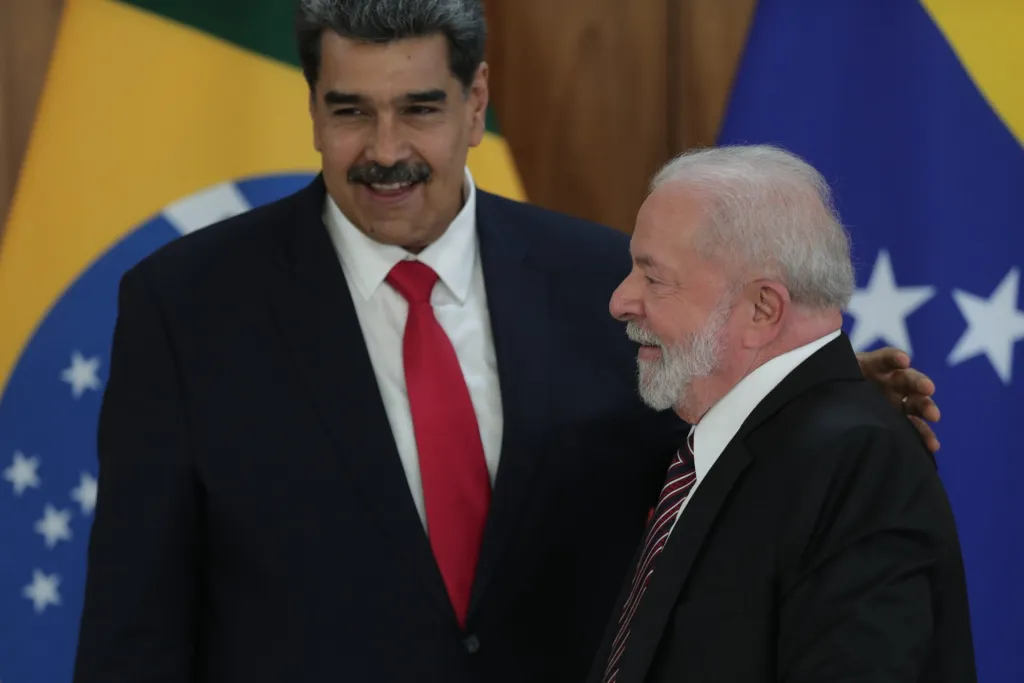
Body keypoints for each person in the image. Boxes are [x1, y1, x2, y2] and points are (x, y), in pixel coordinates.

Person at [72, 2, 941, 682]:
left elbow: (711, 467)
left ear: (475, 102)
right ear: (310, 108)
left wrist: (803, 394)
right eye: (349, 111)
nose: (385, 151)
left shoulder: (606, 283)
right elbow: (133, 629)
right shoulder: (186, 305)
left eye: (419, 109)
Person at [589, 145, 975, 683]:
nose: (620, 300)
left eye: (654, 279)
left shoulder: (857, 463)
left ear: (763, 309)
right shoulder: (757, 436)